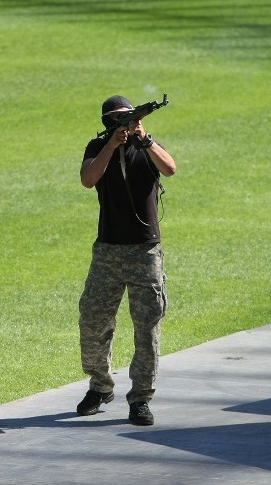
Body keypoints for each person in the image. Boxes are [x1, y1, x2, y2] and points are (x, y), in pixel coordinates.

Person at [76, 95, 176, 426]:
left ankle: (140, 398)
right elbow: (88, 179)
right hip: (107, 250)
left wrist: (143, 139)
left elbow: (170, 168)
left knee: (146, 329)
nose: (125, 125)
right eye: (118, 120)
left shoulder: (146, 145)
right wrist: (111, 146)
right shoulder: (97, 145)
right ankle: (100, 386)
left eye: (128, 119)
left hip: (144, 252)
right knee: (93, 320)